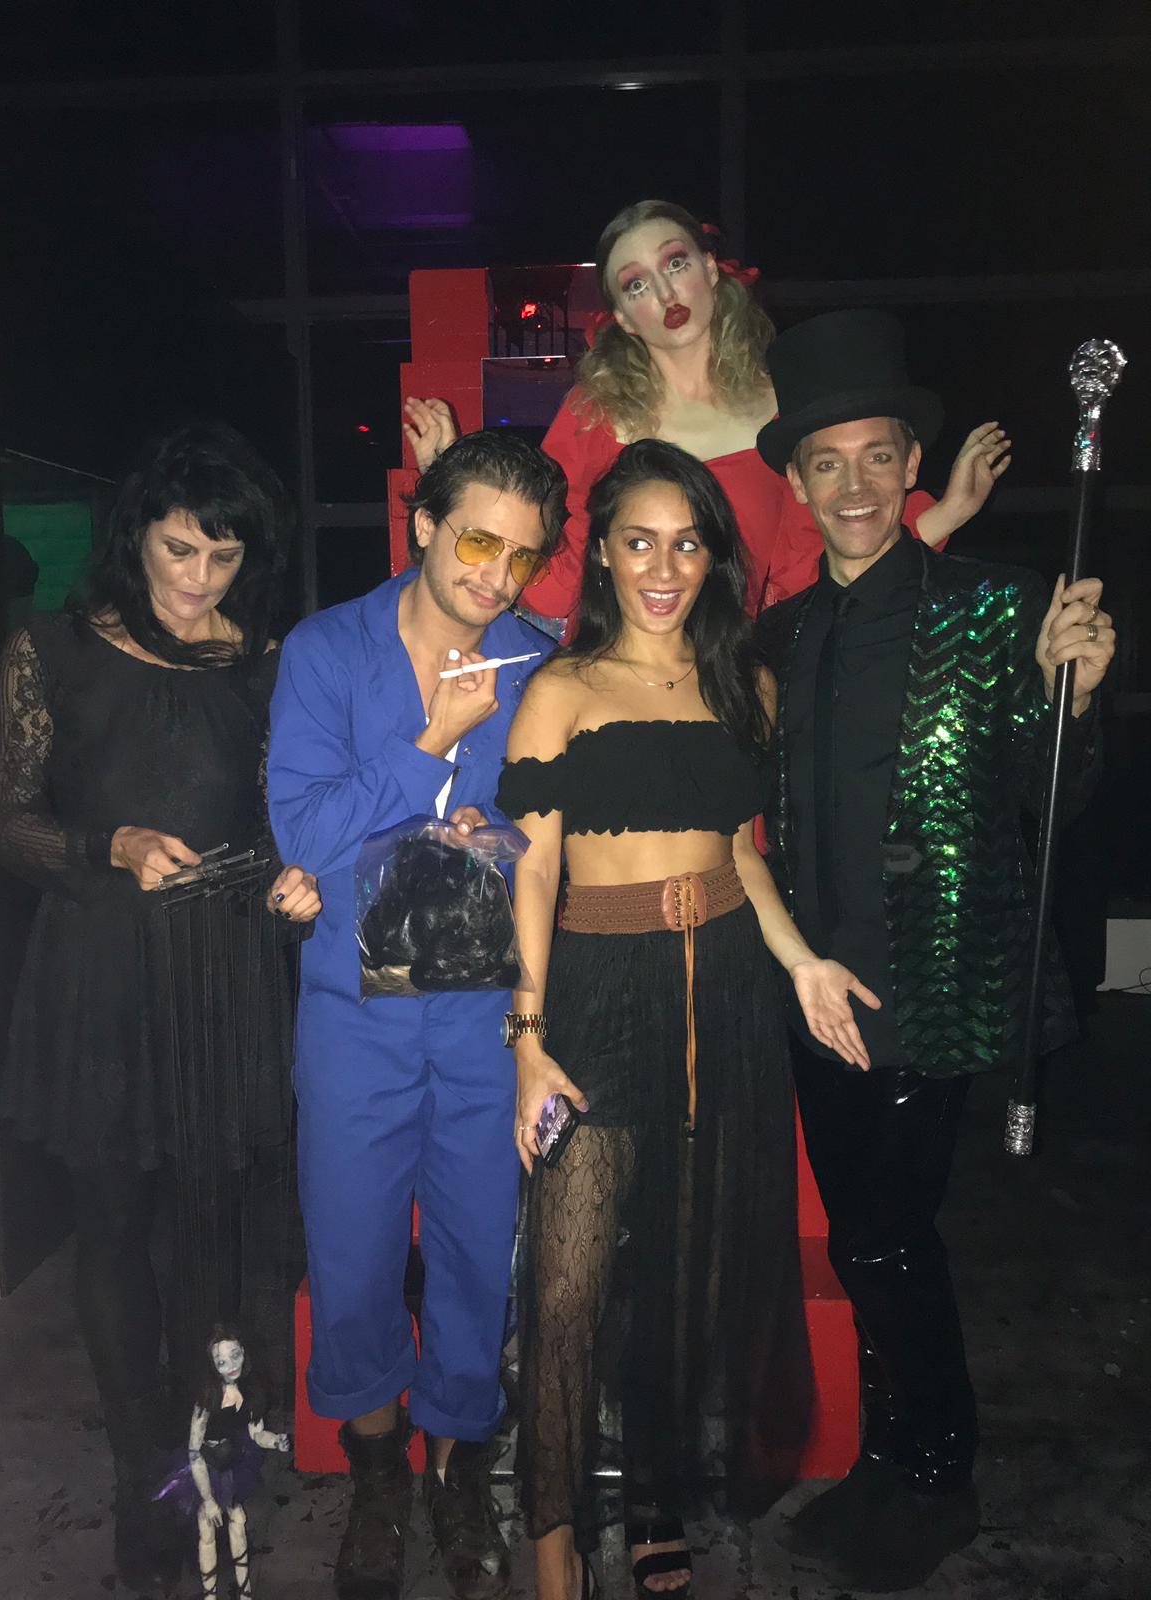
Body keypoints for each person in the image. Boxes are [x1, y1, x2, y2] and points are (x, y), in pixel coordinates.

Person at [754, 309, 1115, 1592]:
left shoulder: (991, 606)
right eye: (827, 462)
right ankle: (890, 1455)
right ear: (799, 483)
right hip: (815, 987)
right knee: (866, 1239)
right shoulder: (782, 635)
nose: (853, 484)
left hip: (930, 980)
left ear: (913, 465)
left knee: (888, 1239)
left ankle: (937, 1473)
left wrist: (1073, 698)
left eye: (876, 456)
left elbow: (1048, 800)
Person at [497, 439, 883, 1600]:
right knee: (565, 1287)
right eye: (639, 542)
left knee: (682, 1267)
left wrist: (801, 962)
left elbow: (742, 855)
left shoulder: (740, 684)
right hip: (596, 988)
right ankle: (553, 1541)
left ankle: (655, 1497)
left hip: (723, 988)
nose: (663, 568)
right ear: (602, 556)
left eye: (686, 543)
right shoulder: (561, 689)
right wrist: (527, 1038)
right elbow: (532, 869)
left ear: (713, 556)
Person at [0, 421, 319, 1591]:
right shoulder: (53, 648)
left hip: (226, 970)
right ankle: (143, 1478)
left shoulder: (266, 661)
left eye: (224, 557)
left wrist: (295, 874)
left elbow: (285, 810)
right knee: (116, 1224)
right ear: (137, 536)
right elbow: (8, 822)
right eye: (181, 549)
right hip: (103, 972)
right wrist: (109, 844)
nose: (199, 578)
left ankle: (205, 1442)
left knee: (213, 1231)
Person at [267, 431, 566, 1600]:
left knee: (477, 1250)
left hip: (485, 1003)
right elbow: (304, 830)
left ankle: (457, 1465)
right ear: (425, 522)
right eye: (479, 541)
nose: (498, 576)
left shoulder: (538, 664)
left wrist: (490, 833)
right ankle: (378, 1464)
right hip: (357, 1011)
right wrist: (430, 743)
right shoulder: (329, 649)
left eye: (523, 556)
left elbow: (554, 830)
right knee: (350, 1251)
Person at [404, 198, 1010, 620]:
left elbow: (812, 569)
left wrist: (949, 511)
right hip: (615, 687)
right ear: (622, 319)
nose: (666, 292)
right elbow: (546, 581)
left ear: (711, 271)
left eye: (676, 263)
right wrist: (453, 477)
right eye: (637, 284)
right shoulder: (594, 416)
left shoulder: (786, 409)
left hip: (744, 682)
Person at [154, 1324, 290, 1600]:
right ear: (212, 1366)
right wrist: (207, 1499)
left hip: (232, 1462)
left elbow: (256, 1434)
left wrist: (275, 1441)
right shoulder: (207, 1401)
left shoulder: (250, 1393)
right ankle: (210, 1594)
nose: (231, 1365)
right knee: (207, 1528)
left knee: (238, 1519)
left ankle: (244, 1589)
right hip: (204, 1467)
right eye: (221, 1361)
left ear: (244, 1353)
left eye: (235, 1355)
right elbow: (194, 1451)